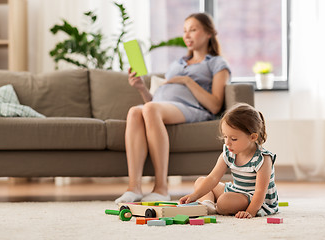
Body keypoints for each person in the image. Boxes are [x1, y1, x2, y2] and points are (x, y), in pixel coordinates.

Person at [115, 13, 231, 204]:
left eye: (193, 30)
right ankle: (133, 188)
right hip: (161, 106)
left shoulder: (217, 63)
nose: (187, 35)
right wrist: (141, 88)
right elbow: (155, 101)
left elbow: (215, 104)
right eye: (185, 31)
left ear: (209, 33)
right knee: (135, 111)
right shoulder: (177, 64)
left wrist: (187, 81)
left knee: (150, 109)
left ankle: (161, 188)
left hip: (193, 108)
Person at [179, 103, 279, 218]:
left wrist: (250, 212)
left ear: (253, 137)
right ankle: (208, 204)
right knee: (201, 181)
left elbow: (260, 191)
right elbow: (213, 178)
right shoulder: (228, 152)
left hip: (256, 199)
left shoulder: (263, 159)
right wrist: (194, 196)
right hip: (236, 191)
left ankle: (219, 206)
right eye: (225, 137)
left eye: (233, 139)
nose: (227, 143)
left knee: (224, 202)